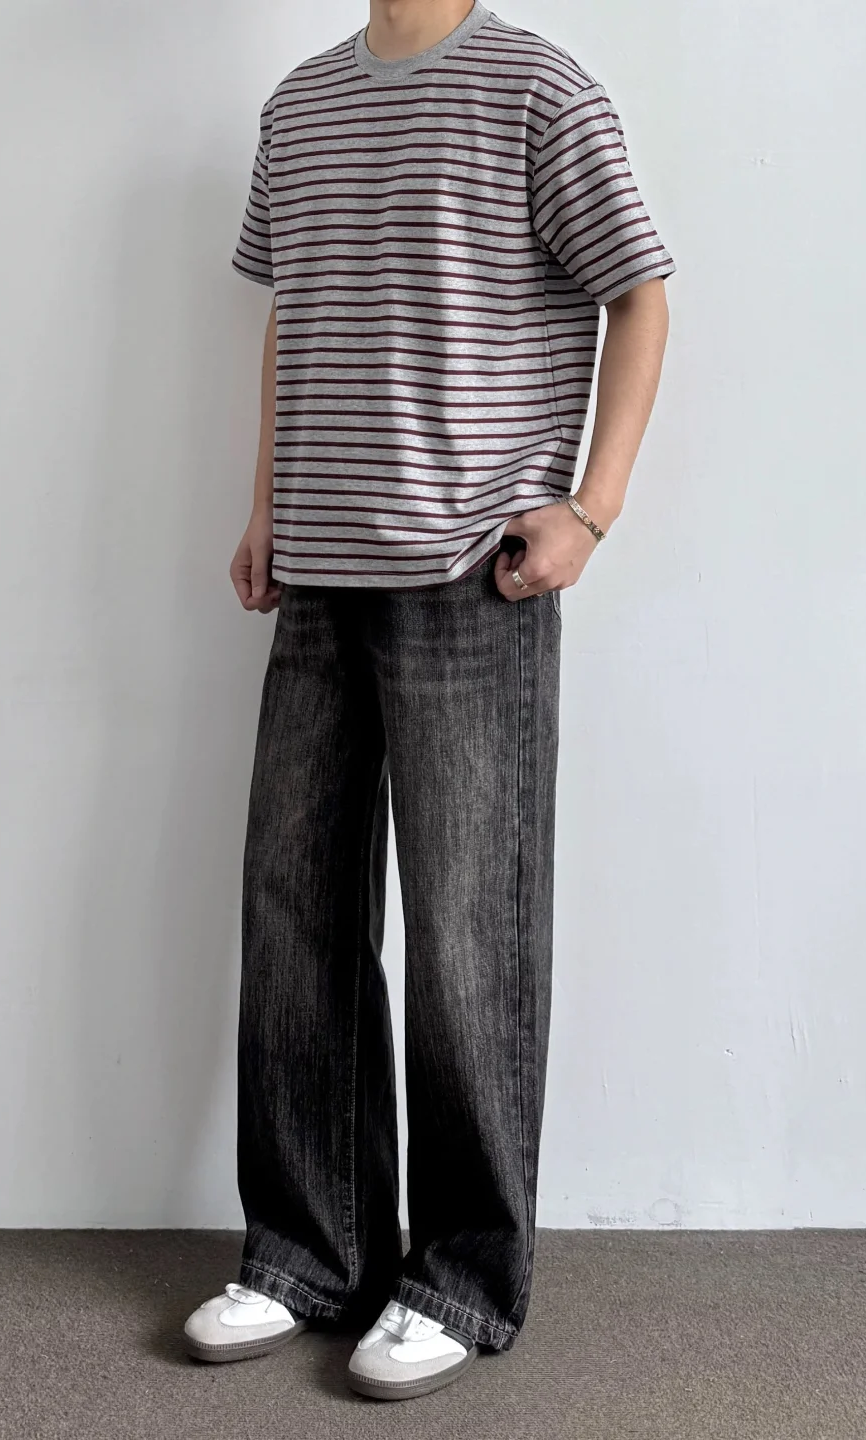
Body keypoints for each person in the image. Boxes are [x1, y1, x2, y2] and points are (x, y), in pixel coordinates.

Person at [183, 0, 674, 1401]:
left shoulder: (537, 88)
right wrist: (265, 507)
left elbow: (640, 289)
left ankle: (461, 1275)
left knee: (471, 937)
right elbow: (292, 316)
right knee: (296, 915)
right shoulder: (299, 105)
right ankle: (307, 1252)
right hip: (319, 570)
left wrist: (591, 510)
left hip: (474, 571)